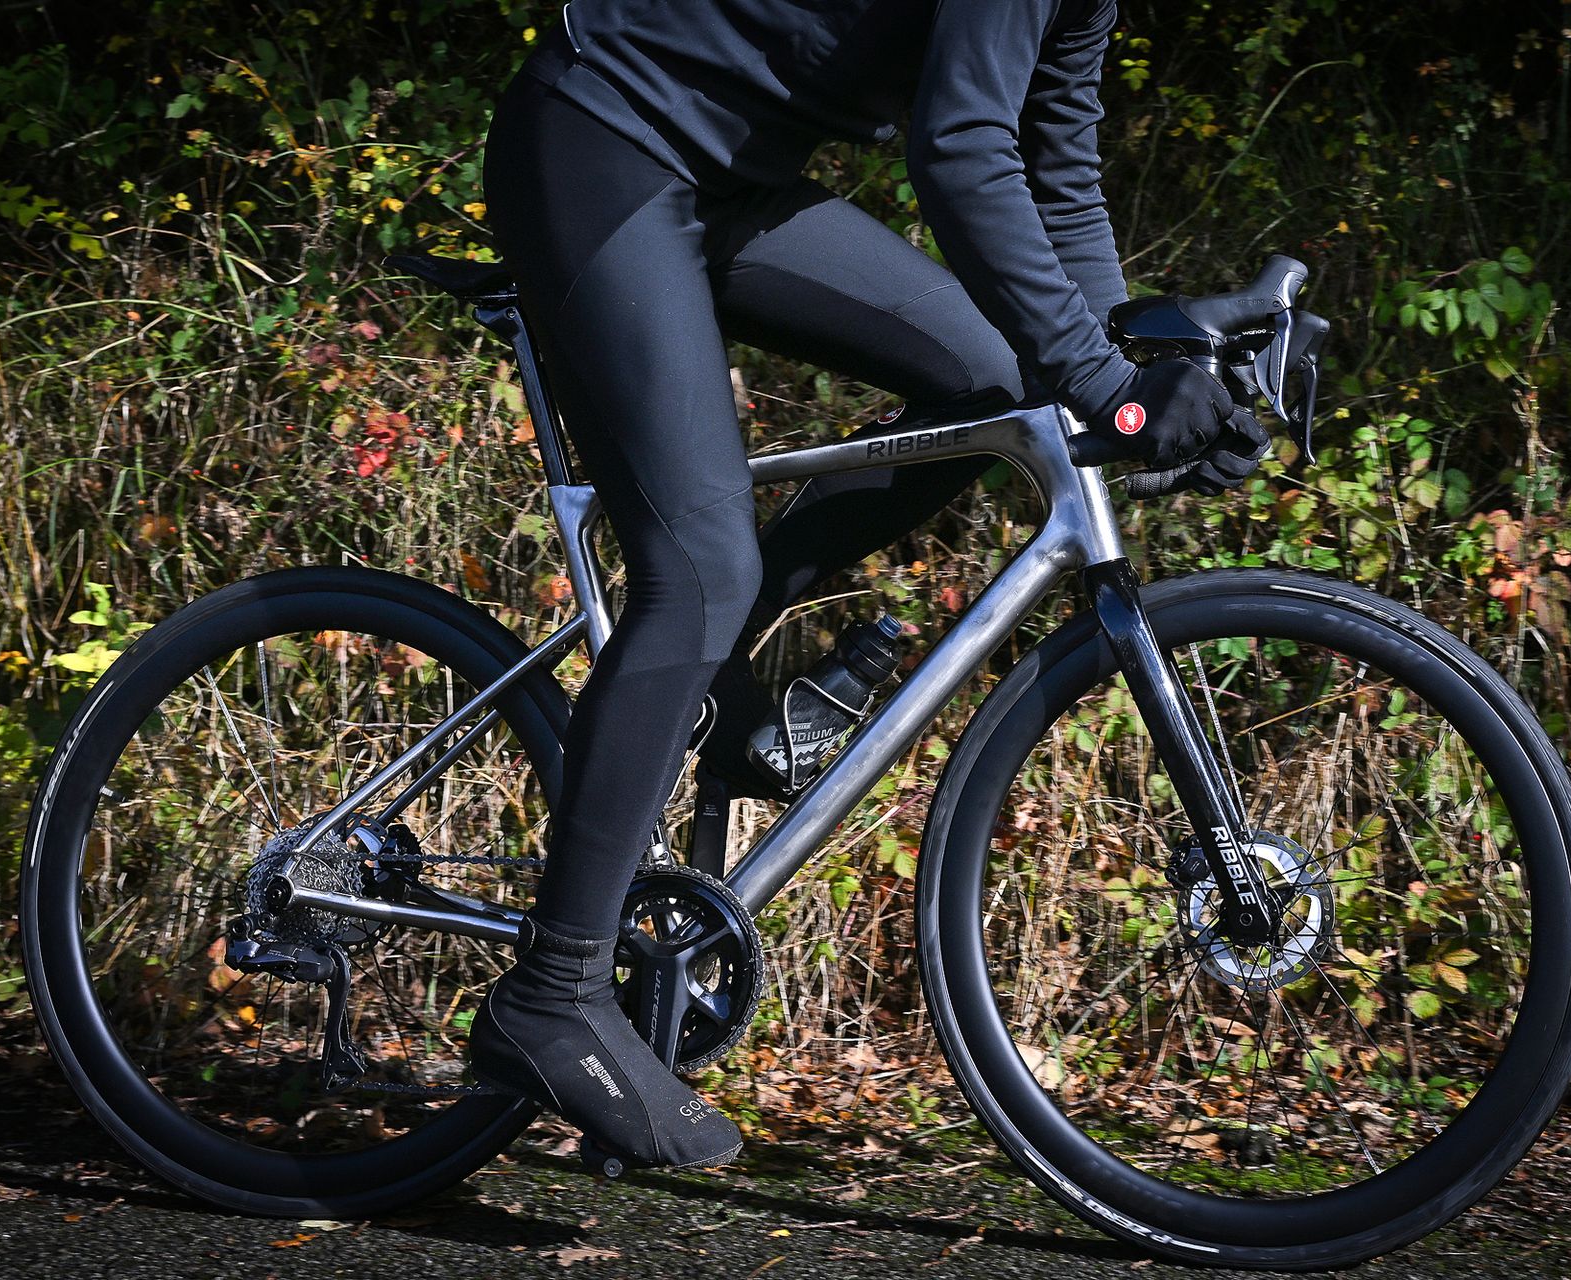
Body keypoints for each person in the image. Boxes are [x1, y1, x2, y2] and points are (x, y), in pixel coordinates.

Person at [467, 0, 1268, 1170]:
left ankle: (723, 647)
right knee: (696, 566)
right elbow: (958, 147)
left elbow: (1055, 148)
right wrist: (1106, 383)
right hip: (604, 141)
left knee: (995, 384)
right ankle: (553, 990)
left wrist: (1142, 355)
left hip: (734, 170)